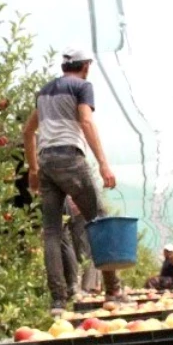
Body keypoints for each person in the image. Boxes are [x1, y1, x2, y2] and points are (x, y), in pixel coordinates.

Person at [23, 46, 119, 314]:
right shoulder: (82, 86)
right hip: (70, 157)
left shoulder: (44, 92)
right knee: (100, 221)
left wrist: (33, 170)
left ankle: (58, 301)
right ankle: (113, 291)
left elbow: (27, 131)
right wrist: (103, 164)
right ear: (85, 66)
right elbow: (86, 122)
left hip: (46, 162)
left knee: (52, 232)